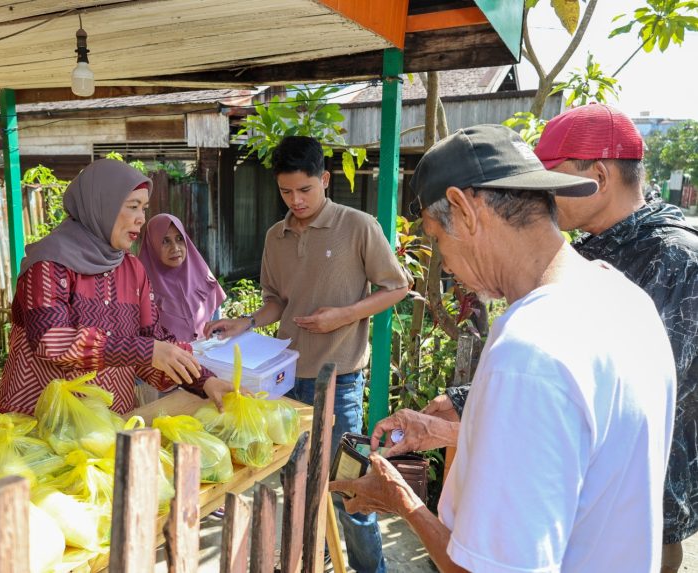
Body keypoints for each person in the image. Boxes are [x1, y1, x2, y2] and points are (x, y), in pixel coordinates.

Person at [331, 124, 677, 572]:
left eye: (437, 238)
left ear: (463, 209)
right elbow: (588, 450)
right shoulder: (627, 300)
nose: (447, 265)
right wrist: (459, 430)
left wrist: (402, 501)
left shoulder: (530, 353)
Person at [205, 136, 410, 573]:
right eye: (285, 191)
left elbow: (397, 287)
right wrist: (246, 323)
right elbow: (278, 300)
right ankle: (309, 560)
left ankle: (370, 569)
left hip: (341, 381)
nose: (295, 200)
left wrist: (345, 316)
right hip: (283, 382)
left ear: (325, 180)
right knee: (295, 482)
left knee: (350, 489)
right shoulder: (274, 237)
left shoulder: (359, 225)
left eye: (305, 190)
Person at [0, 159, 232, 416]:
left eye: (144, 208)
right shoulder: (48, 264)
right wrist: (146, 351)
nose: (141, 218)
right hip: (47, 422)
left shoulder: (132, 269)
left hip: (111, 420)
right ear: (102, 206)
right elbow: (51, 341)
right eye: (133, 207)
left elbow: (153, 337)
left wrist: (205, 381)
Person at [138, 213, 226, 343]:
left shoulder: (205, 280)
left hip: (207, 361)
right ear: (153, 245)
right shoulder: (140, 288)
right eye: (165, 241)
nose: (175, 248)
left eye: (179, 239)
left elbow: (217, 335)